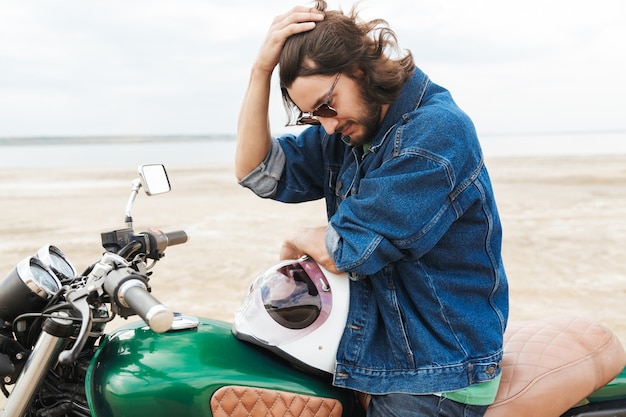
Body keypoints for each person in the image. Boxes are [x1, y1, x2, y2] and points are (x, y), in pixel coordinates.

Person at [234, 1, 509, 416]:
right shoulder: (351, 132)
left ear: (359, 70)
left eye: (327, 105)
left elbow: (348, 248)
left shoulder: (434, 132)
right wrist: (260, 72)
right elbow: (259, 172)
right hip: (377, 358)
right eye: (312, 115)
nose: (326, 124)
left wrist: (297, 237)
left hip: (435, 373)